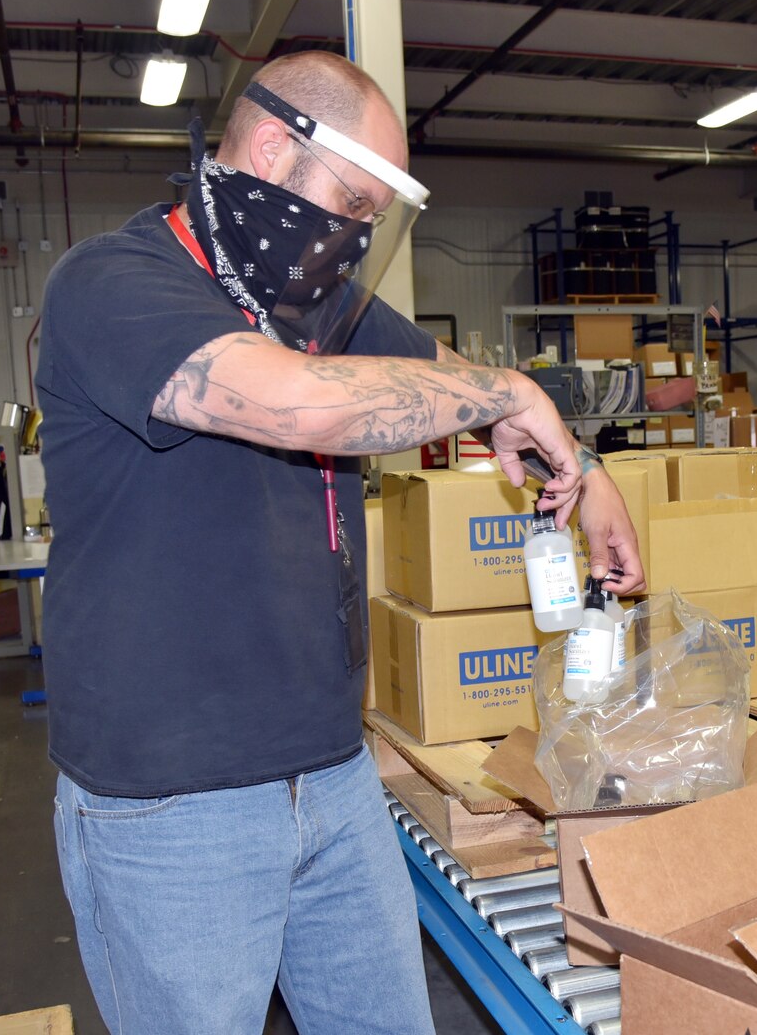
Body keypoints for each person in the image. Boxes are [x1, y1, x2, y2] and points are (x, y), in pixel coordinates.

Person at [37, 50, 644, 1035]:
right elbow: (291, 405)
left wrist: (583, 460)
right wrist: (506, 396)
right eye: (352, 203)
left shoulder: (323, 310)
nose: (358, 237)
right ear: (274, 150)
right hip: (171, 805)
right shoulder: (110, 285)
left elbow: (447, 369)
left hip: (332, 774)